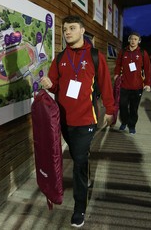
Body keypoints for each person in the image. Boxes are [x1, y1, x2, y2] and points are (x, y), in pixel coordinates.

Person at [40, 15, 115, 228]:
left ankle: (79, 207)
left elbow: (106, 87)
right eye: (64, 29)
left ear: (83, 30)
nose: (67, 33)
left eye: (72, 28)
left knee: (78, 162)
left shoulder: (95, 56)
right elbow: (55, 86)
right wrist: (48, 83)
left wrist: (110, 111)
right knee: (76, 155)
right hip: (63, 120)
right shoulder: (60, 57)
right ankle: (86, 174)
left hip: (86, 121)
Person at [113, 32, 151, 134]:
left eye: (135, 39)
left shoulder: (143, 53)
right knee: (123, 106)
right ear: (129, 40)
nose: (133, 41)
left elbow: (147, 69)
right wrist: (116, 74)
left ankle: (132, 125)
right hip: (124, 85)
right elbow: (118, 64)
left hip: (137, 86)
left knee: (134, 108)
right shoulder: (123, 52)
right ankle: (124, 122)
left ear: (139, 41)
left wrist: (148, 83)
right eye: (131, 39)